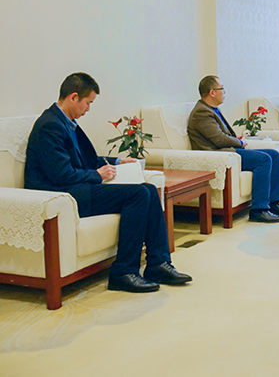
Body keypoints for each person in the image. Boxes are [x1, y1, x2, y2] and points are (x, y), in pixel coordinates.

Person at [24, 73, 192, 293]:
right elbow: (61, 175)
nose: (88, 109)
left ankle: (158, 264)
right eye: (88, 103)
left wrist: (117, 162)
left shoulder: (67, 123)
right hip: (63, 194)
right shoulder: (50, 126)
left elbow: (88, 160)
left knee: (150, 190)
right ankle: (123, 272)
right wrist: (98, 175)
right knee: (139, 194)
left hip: (78, 187)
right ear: (73, 97)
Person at [187, 76, 279, 224]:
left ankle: (273, 203)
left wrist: (236, 140)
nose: (224, 92)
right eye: (221, 88)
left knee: (275, 155)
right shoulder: (201, 113)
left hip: (228, 150)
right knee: (264, 160)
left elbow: (221, 136)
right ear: (212, 92)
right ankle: (258, 210)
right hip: (219, 155)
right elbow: (219, 139)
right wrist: (239, 142)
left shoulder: (211, 109)